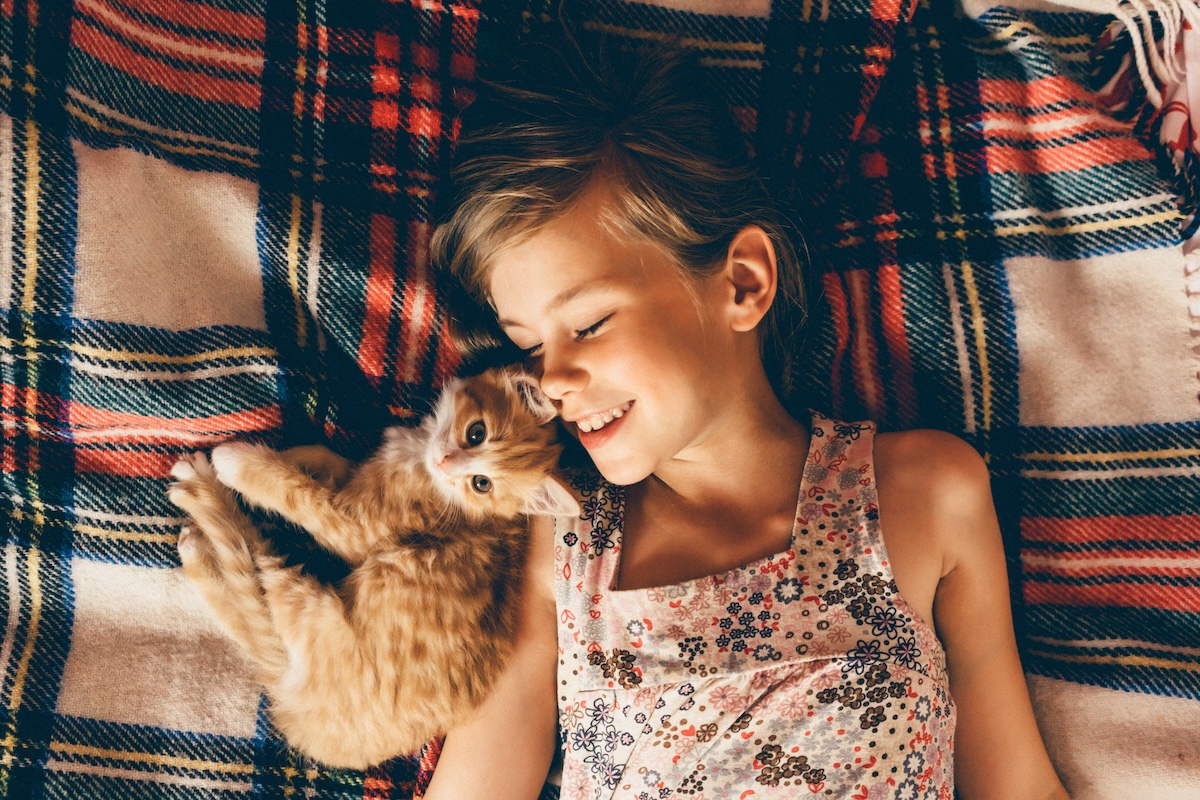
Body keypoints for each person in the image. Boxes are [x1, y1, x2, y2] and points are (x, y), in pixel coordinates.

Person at [423, 37, 1069, 800]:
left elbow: (1019, 787)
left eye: (589, 324)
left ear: (742, 281)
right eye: (527, 345)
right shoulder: (556, 549)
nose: (552, 380)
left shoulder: (928, 494)